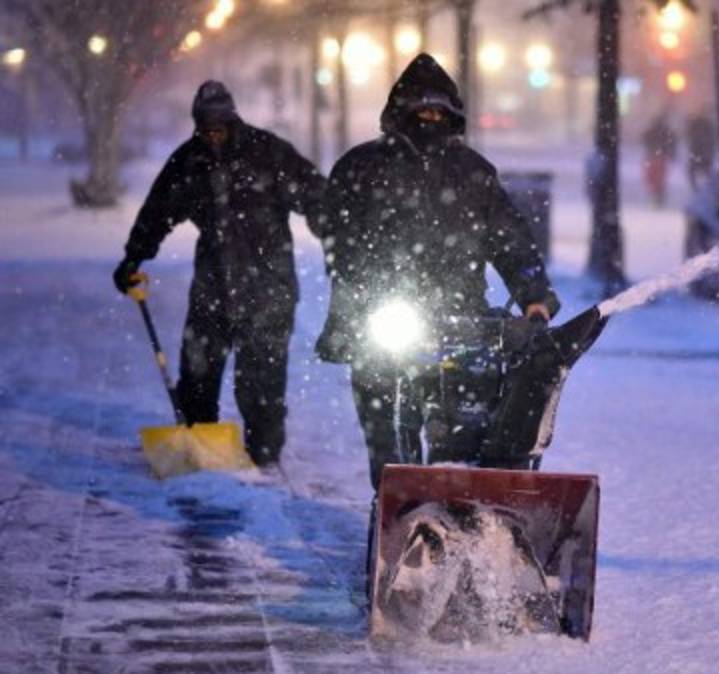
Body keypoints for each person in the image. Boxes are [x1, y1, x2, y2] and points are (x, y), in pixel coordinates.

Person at [316, 54, 560, 491]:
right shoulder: (361, 167)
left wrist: (533, 294)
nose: (429, 119)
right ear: (399, 113)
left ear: (453, 116)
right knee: (388, 434)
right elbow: (339, 240)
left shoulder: (473, 173)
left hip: (459, 320)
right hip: (381, 319)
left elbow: (510, 239)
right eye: (420, 111)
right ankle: (395, 504)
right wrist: (365, 288)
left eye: (438, 112)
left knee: (467, 427)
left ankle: (462, 503)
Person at [112, 81, 327, 467]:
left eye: (219, 127)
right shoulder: (189, 161)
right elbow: (157, 212)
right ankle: (200, 447)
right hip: (212, 284)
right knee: (197, 369)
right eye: (205, 128)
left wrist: (337, 239)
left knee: (260, 380)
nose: (213, 136)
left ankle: (264, 457)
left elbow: (316, 197)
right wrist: (133, 257)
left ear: (232, 119)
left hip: (269, 288)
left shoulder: (268, 153)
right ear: (197, 124)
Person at [641, 112, 678, 207]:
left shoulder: (652, 131)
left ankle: (657, 195)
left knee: (653, 177)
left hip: (653, 155)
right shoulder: (666, 132)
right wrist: (672, 153)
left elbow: (644, 139)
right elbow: (672, 142)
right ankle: (659, 195)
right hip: (660, 156)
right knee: (659, 178)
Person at [685, 112, 717, 190]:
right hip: (701, 151)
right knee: (705, 171)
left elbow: (689, 136)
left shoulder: (699, 124)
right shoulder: (705, 124)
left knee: (696, 170)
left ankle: (700, 187)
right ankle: (707, 187)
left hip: (700, 151)